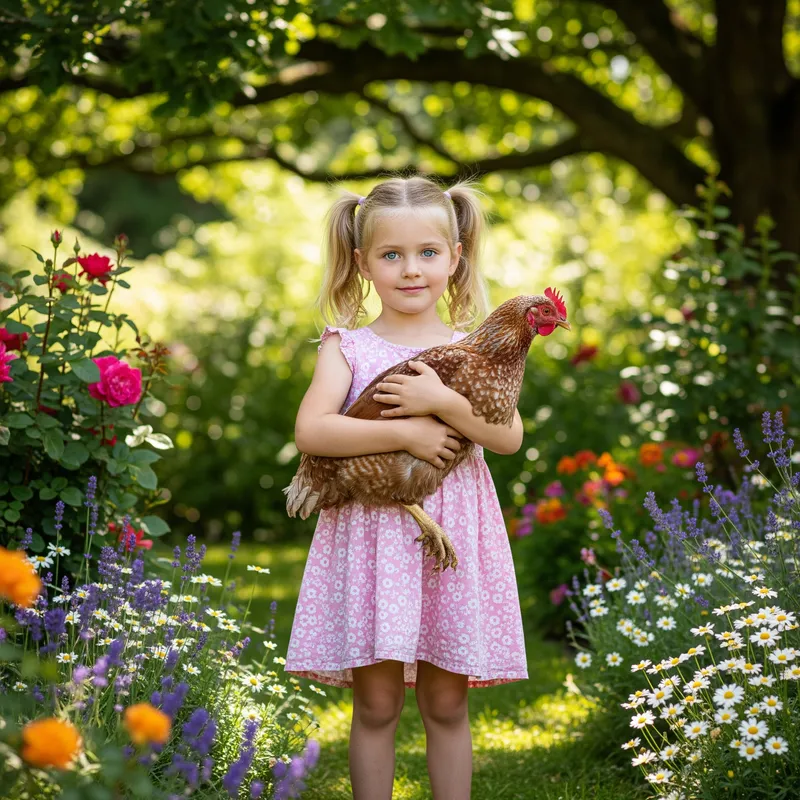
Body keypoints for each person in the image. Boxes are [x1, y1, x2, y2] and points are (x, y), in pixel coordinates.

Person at [284, 176, 528, 799]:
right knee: (377, 702)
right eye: (392, 255)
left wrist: (441, 400)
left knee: (447, 702)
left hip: (452, 534)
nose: (411, 270)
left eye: (428, 253)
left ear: (455, 257)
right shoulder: (348, 347)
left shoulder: (468, 349)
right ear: (363, 264)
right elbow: (313, 430)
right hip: (374, 535)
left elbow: (507, 438)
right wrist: (414, 436)